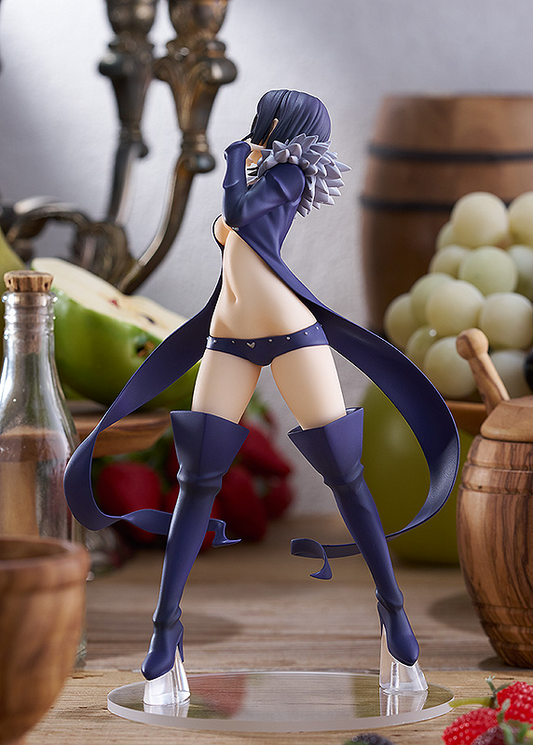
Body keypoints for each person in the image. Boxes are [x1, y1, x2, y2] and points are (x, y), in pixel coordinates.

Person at [64, 90, 459, 694]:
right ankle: (165, 629)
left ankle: (394, 616)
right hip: (227, 338)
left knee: (345, 476)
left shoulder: (289, 174)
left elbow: (241, 216)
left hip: (291, 335)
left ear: (281, 125)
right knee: (196, 482)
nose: (257, 126)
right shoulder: (261, 174)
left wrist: (230, 162)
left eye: (266, 118)